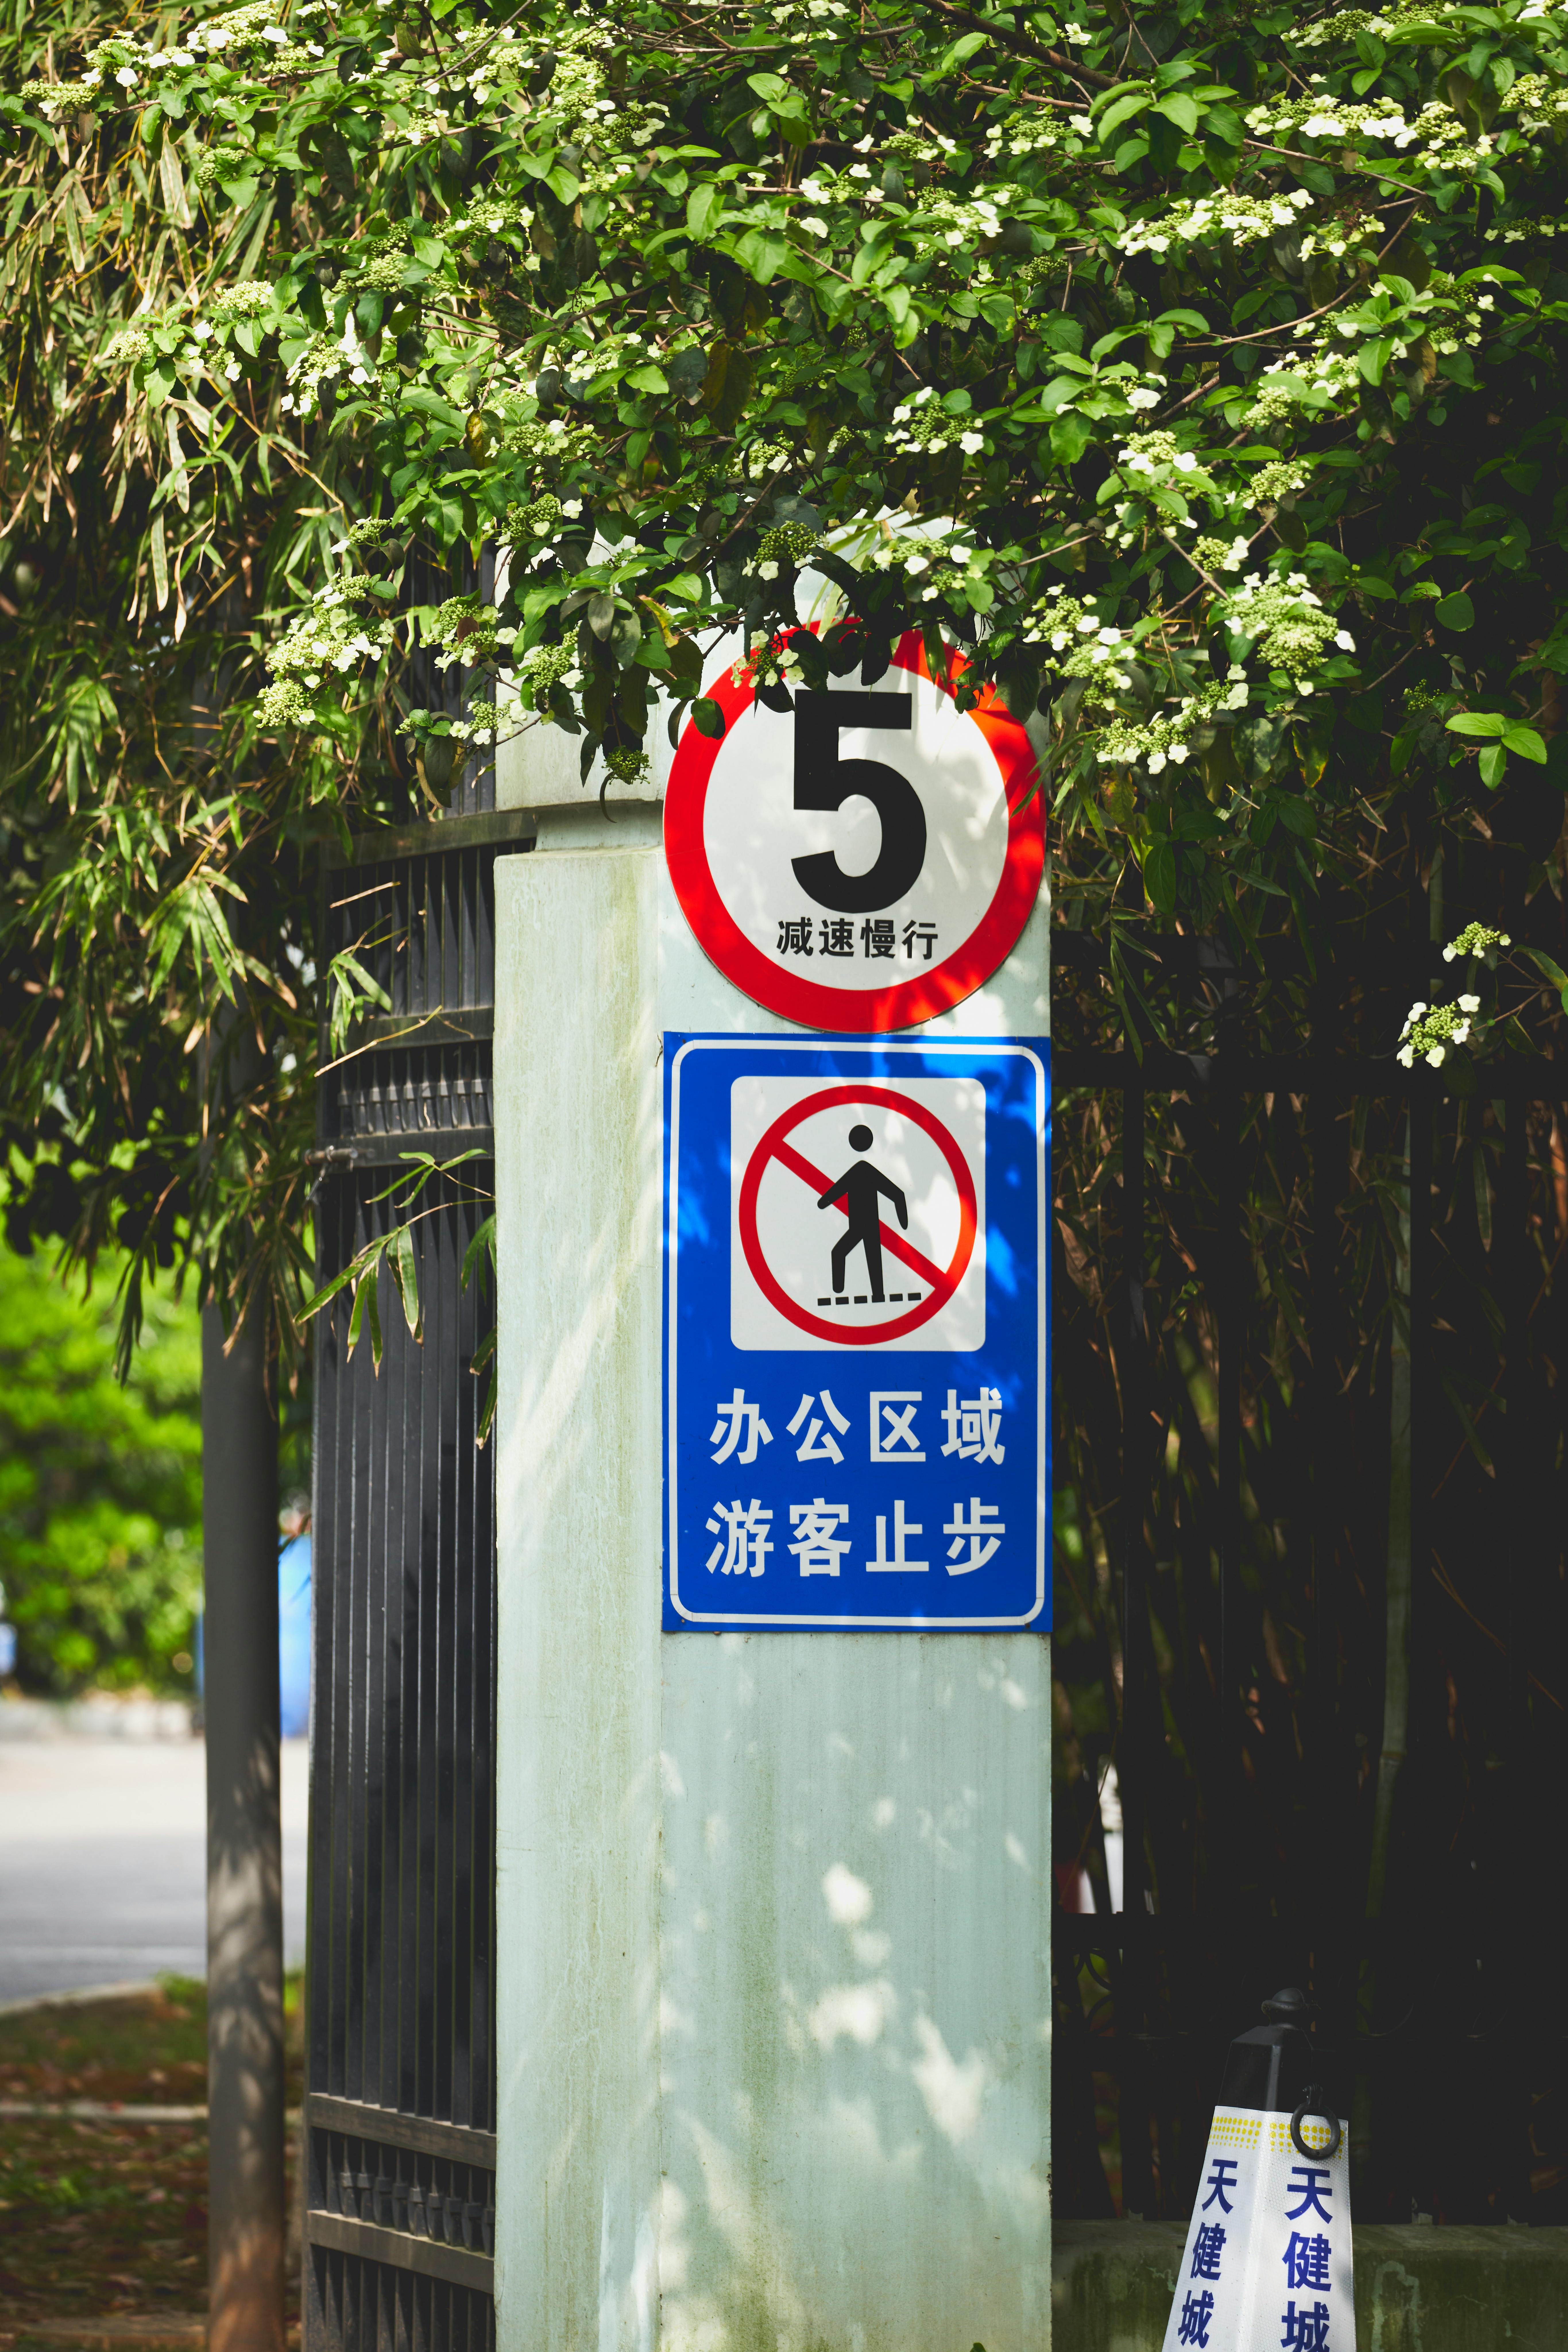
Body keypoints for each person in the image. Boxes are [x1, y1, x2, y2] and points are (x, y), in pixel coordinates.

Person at [817, 1123, 907, 1301]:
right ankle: (843, 1294)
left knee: (848, 1255)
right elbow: (898, 1195)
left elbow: (897, 1194)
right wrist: (903, 1221)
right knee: (847, 1255)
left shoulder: (862, 1171)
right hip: (862, 1227)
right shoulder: (862, 1171)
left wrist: (903, 1221)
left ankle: (853, 1294)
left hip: (865, 1226)